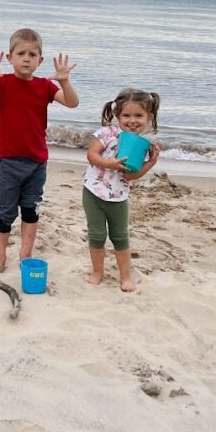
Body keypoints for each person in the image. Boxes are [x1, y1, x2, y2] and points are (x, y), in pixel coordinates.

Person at [0, 29, 79, 272]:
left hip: (37, 163)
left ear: (40, 60)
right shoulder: (1, 82)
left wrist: (65, 81)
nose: (26, 58)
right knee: (4, 213)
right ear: (9, 58)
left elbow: (72, 103)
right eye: (21, 53)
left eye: (32, 54)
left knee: (31, 210)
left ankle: (25, 254)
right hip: (8, 162)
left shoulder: (45, 86)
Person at [83, 88, 161, 292]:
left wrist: (150, 163)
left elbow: (130, 175)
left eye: (139, 115)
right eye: (126, 115)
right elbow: (92, 155)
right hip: (93, 193)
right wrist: (109, 164)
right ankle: (98, 272)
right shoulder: (107, 133)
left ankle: (125, 277)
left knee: (120, 236)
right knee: (97, 235)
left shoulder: (141, 145)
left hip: (118, 197)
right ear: (118, 116)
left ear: (149, 118)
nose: (132, 120)